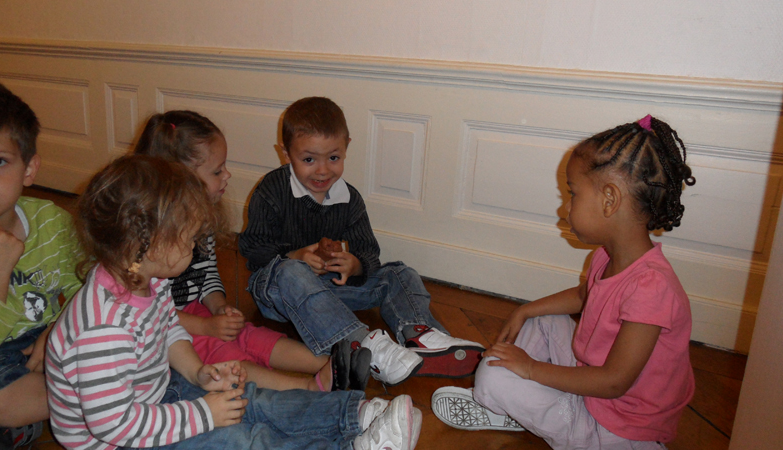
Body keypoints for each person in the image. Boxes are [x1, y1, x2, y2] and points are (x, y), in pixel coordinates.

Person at [45, 154, 421, 450]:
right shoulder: (104, 330)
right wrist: (202, 414)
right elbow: (113, 424)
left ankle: (354, 415)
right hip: (121, 440)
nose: (195, 247)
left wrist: (197, 372)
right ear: (148, 244)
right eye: (189, 239)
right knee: (241, 440)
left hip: (156, 396)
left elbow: (167, 329)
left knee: (250, 399)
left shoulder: (145, 278)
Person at [432, 115, 697, 449]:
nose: (565, 207)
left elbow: (614, 382)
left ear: (610, 200)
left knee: (492, 377)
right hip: (595, 381)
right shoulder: (607, 256)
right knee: (541, 321)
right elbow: (586, 295)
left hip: (620, 426)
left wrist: (531, 369)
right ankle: (525, 406)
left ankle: (533, 412)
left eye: (573, 194)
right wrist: (525, 311)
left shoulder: (652, 288)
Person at [239, 97, 485, 386]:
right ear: (286, 154)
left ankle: (421, 334)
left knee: (399, 273)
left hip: (329, 288)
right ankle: (360, 345)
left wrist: (355, 265)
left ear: (346, 147)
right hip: (278, 291)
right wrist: (294, 255)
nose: (322, 170)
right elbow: (252, 248)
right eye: (308, 160)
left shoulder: (349, 198)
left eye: (333, 158)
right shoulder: (271, 190)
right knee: (292, 271)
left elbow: (369, 251)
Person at [133, 110, 370, 393]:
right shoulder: (145, 242)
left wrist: (219, 307)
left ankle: (335, 364)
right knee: (226, 356)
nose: (227, 175)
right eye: (217, 171)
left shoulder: (198, 221)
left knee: (253, 337)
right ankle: (309, 387)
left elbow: (206, 274)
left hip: (198, 314)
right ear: (180, 179)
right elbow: (149, 312)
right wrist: (205, 327)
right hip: (167, 331)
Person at [0, 80, 82, 449]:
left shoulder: (52, 221)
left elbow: (85, 286)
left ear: (29, 169)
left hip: (48, 335)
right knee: (1, 402)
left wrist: (61, 329)